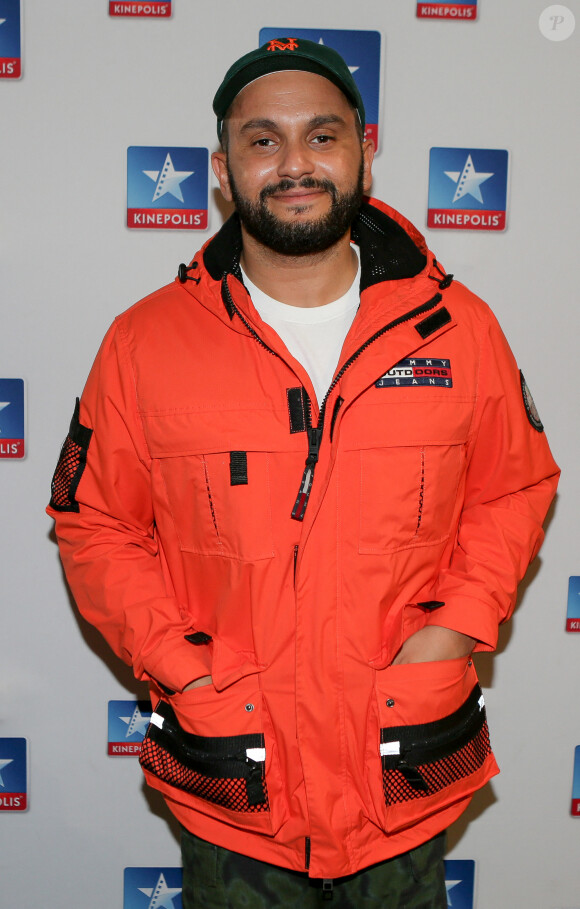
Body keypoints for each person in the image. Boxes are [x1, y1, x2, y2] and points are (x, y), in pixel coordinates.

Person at [48, 37, 559, 908]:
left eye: (322, 137)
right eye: (262, 140)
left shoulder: (458, 329)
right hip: (235, 783)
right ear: (222, 168)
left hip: (404, 765)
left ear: (366, 147)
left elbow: (513, 490)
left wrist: (453, 628)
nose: (294, 164)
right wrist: (184, 666)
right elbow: (95, 523)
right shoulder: (144, 344)